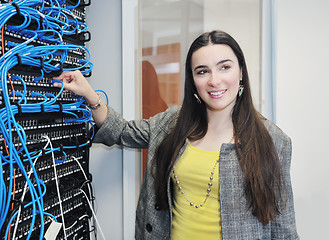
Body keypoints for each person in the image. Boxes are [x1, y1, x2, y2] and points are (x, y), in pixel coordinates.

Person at [54, 30, 299, 240]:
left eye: (224, 67)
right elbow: (122, 131)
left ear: (241, 72)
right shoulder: (172, 123)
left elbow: (283, 228)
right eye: (202, 71)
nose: (214, 80)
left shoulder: (273, 141)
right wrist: (89, 94)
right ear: (193, 81)